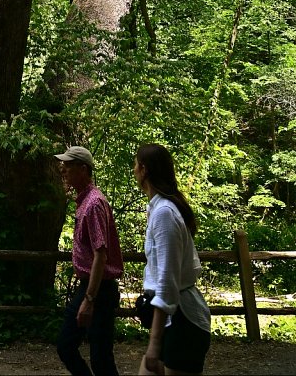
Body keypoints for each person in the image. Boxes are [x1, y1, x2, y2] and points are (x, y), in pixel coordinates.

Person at [134, 144, 211, 376]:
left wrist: (154, 344)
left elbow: (167, 284)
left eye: (136, 165)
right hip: (173, 322)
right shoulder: (159, 209)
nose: (134, 170)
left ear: (144, 170)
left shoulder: (164, 213)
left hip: (183, 323)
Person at [55, 145, 124, 376]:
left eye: (68, 165)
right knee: (68, 346)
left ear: (83, 169)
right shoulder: (84, 201)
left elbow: (101, 254)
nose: (62, 169)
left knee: (101, 358)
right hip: (91, 287)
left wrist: (89, 299)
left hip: (99, 290)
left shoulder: (94, 203)